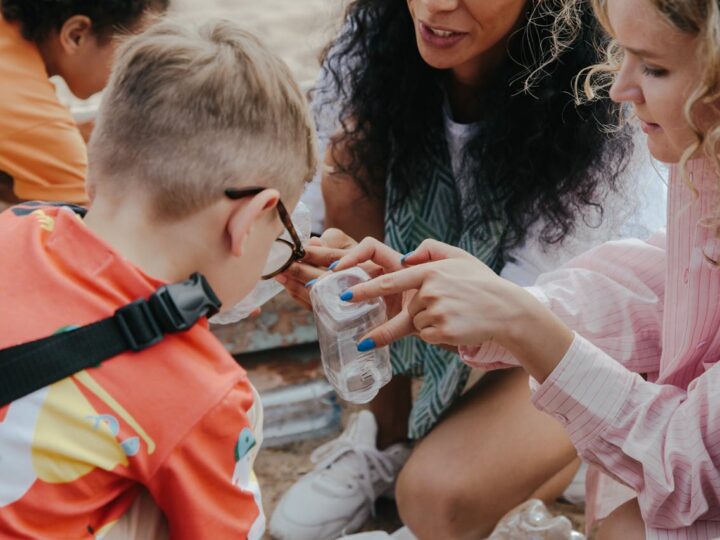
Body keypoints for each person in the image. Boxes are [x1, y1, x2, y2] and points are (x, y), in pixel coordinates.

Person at [270, 0, 666, 538]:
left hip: (572, 334)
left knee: (436, 496)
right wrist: (321, 260)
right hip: (459, 289)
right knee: (348, 154)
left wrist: (417, 301)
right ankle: (385, 436)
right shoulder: (376, 38)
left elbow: (533, 307)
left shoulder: (598, 93)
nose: (436, 5)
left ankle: (558, 459)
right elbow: (318, 194)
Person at [0, 17, 316, 540]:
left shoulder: (17, 224)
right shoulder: (206, 393)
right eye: (280, 233)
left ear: (95, 164)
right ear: (246, 221)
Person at [0, 0, 168, 206]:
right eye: (132, 54)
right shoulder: (32, 116)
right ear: (76, 35)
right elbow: (90, 223)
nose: (137, 73)